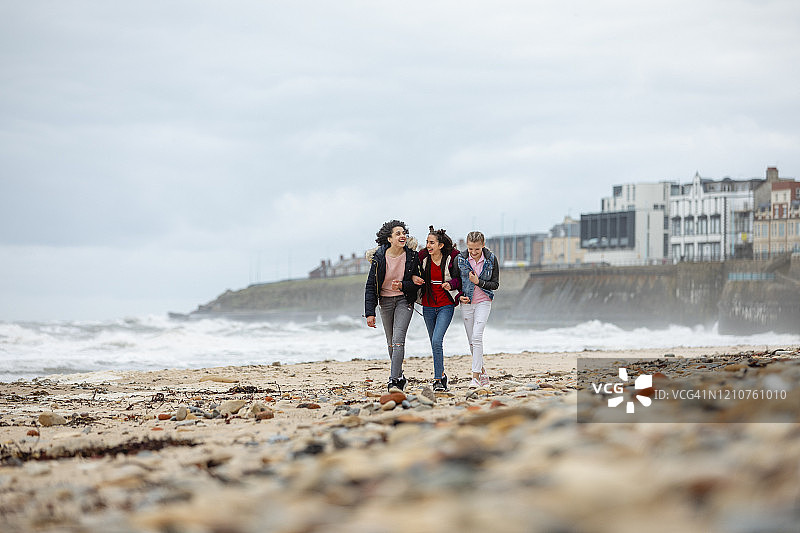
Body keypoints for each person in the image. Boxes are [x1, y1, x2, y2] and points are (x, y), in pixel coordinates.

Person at [364, 220, 423, 391]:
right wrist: (370, 312)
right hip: (385, 301)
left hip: (405, 300)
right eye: (398, 233)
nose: (402, 236)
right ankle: (400, 376)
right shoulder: (379, 258)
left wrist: (404, 285)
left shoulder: (412, 256)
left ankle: (393, 380)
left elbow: (418, 283)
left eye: (404, 233)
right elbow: (370, 286)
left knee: (398, 341)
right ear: (389, 238)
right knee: (391, 343)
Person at [415, 226, 461, 392]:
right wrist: (415, 277)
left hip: (445, 306)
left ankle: (437, 380)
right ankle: (441, 375)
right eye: (427, 242)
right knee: (434, 343)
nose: (428, 245)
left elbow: (459, 278)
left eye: (432, 242)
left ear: (440, 245)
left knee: (436, 340)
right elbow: (411, 269)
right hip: (427, 306)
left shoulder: (452, 258)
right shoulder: (422, 257)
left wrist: (451, 284)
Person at [457, 231, 499, 388]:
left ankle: (474, 378)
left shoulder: (491, 259)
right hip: (467, 303)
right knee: (472, 342)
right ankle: (483, 373)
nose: (473, 253)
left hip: (484, 302)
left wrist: (479, 282)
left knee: (477, 337)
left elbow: (495, 284)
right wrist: (459, 295)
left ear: (483, 245)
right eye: (470, 249)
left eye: (477, 249)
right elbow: (456, 281)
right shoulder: (460, 259)